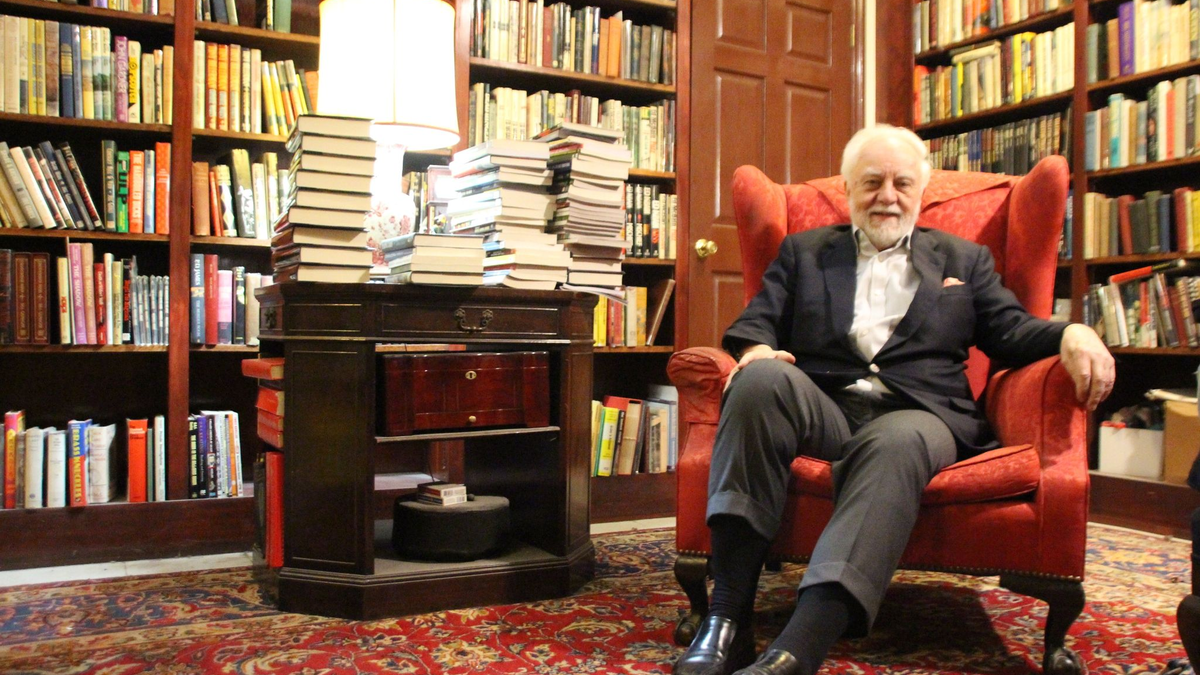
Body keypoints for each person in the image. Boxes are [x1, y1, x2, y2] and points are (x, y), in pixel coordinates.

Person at [673, 124, 1115, 675]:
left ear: (920, 190)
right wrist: (759, 350)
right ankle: (726, 621)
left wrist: (1072, 332)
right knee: (758, 381)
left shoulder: (964, 259)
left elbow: (1012, 330)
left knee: (896, 442)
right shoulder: (805, 252)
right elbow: (757, 322)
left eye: (902, 183)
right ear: (849, 189)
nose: (887, 196)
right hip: (826, 409)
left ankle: (796, 652)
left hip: (920, 416)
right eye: (872, 182)